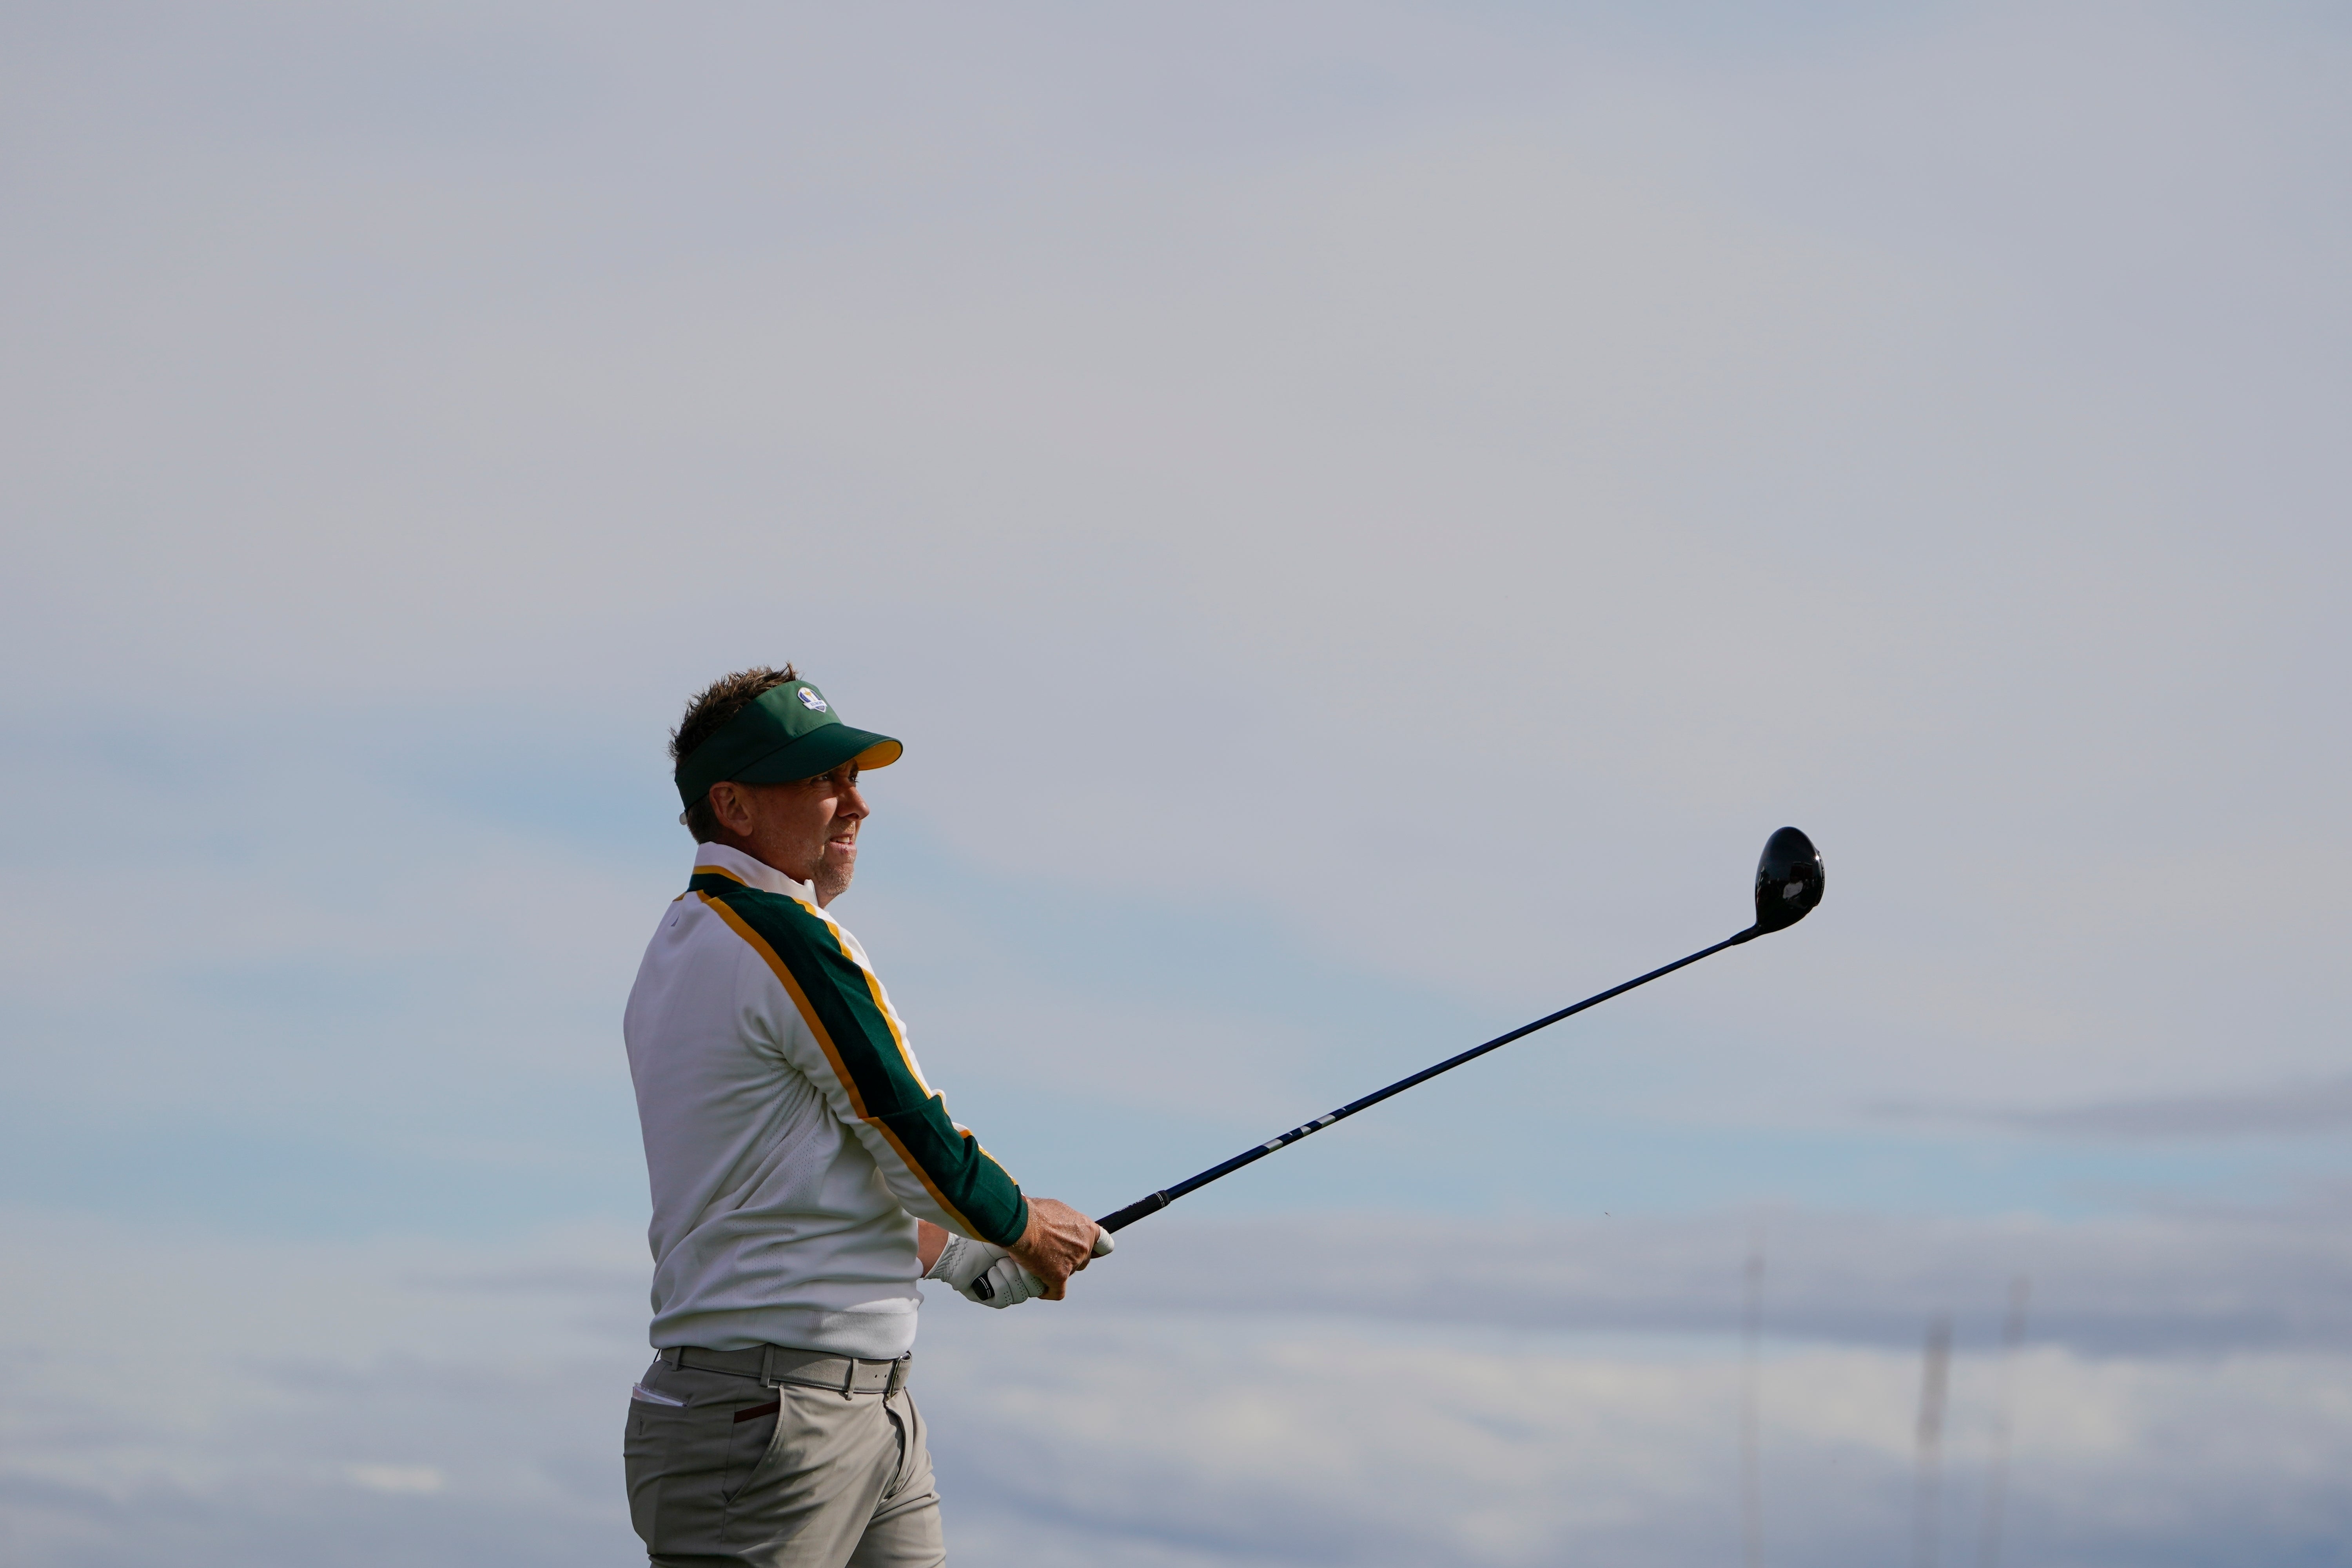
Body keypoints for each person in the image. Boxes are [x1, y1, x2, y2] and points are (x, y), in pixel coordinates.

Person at [621, 665, 1107, 1567]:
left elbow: (810, 1177)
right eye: (821, 780)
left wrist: (965, 1254)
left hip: (856, 1410)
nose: (856, 804)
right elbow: (905, 1126)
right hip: (771, 1420)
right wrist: (1023, 1229)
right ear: (733, 804)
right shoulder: (780, 938)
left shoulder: (690, 940)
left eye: (853, 779)